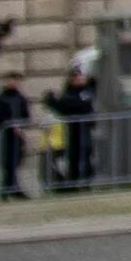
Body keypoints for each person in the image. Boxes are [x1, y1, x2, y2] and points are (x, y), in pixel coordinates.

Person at [48, 63, 96, 191]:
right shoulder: (69, 93)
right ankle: (73, 183)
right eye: (76, 76)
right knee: (74, 156)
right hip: (73, 130)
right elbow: (65, 107)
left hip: (85, 128)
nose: (79, 79)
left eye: (80, 76)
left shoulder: (87, 91)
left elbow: (81, 105)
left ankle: (86, 182)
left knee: (86, 155)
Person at [0, 78, 27, 200]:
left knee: (15, 162)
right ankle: (9, 189)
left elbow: (26, 114)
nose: (14, 83)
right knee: (7, 162)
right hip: (4, 135)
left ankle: (10, 188)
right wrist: (10, 125)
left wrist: (20, 125)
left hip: (17, 135)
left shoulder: (20, 98)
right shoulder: (0, 99)